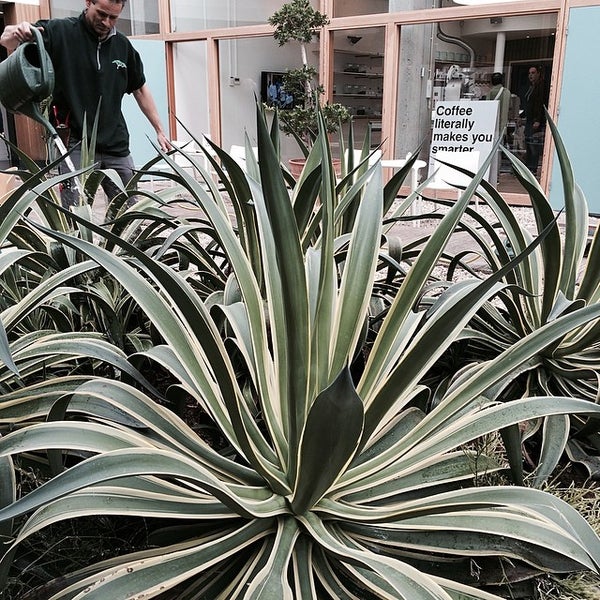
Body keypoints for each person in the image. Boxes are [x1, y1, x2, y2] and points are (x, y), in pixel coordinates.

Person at [0, 0, 170, 208]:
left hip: (116, 144)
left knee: (129, 212)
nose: (106, 22)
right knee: (75, 215)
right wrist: (17, 30)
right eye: (101, 14)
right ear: (88, 2)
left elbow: (140, 89)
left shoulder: (122, 46)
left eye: (113, 17)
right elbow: (6, 40)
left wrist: (159, 130)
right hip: (74, 144)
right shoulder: (60, 32)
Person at [522, 65, 547, 176]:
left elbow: (540, 104)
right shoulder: (531, 87)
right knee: (528, 143)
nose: (530, 75)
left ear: (538, 74)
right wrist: (522, 115)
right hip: (529, 119)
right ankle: (528, 167)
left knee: (533, 145)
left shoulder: (540, 87)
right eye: (529, 73)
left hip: (535, 120)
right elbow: (529, 105)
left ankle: (532, 168)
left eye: (533, 73)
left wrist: (538, 120)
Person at [487, 72, 511, 184]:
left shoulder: (491, 92)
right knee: (498, 152)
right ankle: (496, 176)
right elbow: (508, 109)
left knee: (490, 151)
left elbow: (487, 108)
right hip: (502, 127)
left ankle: (488, 174)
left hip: (491, 126)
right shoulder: (506, 92)